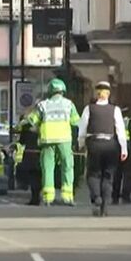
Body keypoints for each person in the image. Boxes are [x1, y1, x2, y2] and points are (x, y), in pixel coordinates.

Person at [27, 78, 80, 206]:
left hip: (47, 140)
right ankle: (67, 197)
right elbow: (76, 122)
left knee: (47, 168)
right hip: (64, 140)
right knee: (67, 167)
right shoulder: (69, 104)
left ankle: (48, 198)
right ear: (63, 91)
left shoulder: (42, 105)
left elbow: (31, 120)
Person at [78, 81, 128, 216]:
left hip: (94, 144)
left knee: (93, 174)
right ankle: (105, 206)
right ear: (108, 94)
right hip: (111, 144)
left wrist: (81, 144)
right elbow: (120, 130)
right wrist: (124, 149)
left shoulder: (89, 109)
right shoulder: (115, 110)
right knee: (108, 175)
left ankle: (97, 198)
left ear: (97, 93)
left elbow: (82, 129)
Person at [112, 108, 131, 204]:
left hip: (116, 148)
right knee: (129, 174)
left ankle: (115, 197)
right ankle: (126, 196)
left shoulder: (114, 121)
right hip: (129, 149)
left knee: (117, 174)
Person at [16, 107, 42, 205]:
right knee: (38, 176)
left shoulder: (26, 124)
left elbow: (22, 140)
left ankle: (34, 198)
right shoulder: (42, 122)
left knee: (33, 176)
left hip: (30, 153)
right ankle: (36, 197)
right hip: (40, 151)